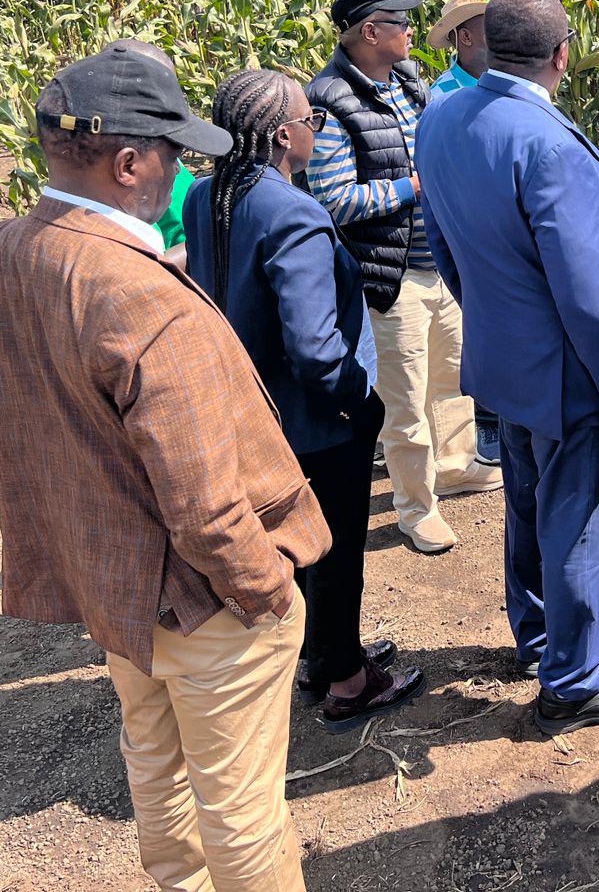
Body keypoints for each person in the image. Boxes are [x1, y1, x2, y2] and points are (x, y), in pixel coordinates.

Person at [0, 45, 329, 891]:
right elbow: (204, 508)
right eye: (172, 153)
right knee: (243, 812)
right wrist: (266, 589)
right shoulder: (142, 296)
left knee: (154, 758)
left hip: (112, 584)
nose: (180, 172)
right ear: (128, 164)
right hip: (204, 601)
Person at [414, 0, 599, 733]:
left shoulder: (442, 118)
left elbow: (444, 241)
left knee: (526, 505)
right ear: (562, 54)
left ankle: (538, 638)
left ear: (487, 44)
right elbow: (590, 296)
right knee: (580, 517)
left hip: (503, 359)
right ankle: (574, 681)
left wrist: (490, 320)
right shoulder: (553, 146)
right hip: (569, 375)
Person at [183, 68, 425, 733]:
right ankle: (347, 681)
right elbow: (316, 348)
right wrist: (359, 403)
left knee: (296, 546)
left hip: (251, 410)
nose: (316, 131)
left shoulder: (207, 194)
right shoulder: (293, 212)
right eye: (311, 122)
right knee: (334, 549)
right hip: (315, 420)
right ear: (286, 135)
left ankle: (322, 655)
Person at [304, 0, 499, 555]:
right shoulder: (329, 101)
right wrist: (413, 186)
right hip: (389, 276)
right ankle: (416, 507)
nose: (412, 30)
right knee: (406, 398)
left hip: (439, 261)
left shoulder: (409, 82)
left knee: (453, 376)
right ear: (371, 32)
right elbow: (332, 200)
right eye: (401, 21)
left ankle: (455, 464)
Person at [427, 0, 504, 466]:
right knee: (473, 329)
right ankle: (486, 420)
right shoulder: (443, 97)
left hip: (503, 227)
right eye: (488, 27)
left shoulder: (508, 84)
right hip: (469, 231)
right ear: (465, 38)